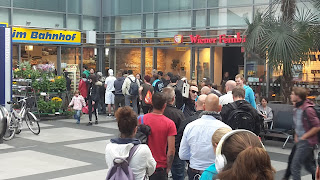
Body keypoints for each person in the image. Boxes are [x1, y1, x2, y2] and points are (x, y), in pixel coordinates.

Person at [179, 94, 231, 180]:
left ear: (203, 107)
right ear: (220, 108)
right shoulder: (226, 129)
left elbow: (183, 155)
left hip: (195, 172)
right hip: (216, 174)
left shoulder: (190, 126)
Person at [105, 107, 156, 180]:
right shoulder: (143, 149)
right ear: (135, 129)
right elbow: (151, 169)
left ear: (119, 128)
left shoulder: (109, 147)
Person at [141, 92, 177, 180]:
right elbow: (171, 150)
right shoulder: (170, 124)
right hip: (160, 166)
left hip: (143, 164)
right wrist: (168, 167)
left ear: (152, 103)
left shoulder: (141, 119)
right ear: (165, 105)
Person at [290, 87, 319, 180]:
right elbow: (298, 124)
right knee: (308, 166)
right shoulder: (297, 108)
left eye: (292, 94)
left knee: (295, 166)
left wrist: (304, 136)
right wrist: (296, 135)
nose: (291, 95)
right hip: (301, 141)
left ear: (298, 96)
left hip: (307, 142)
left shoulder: (308, 110)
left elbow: (317, 126)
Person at [176, 94, 207, 168]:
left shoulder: (188, 122)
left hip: (193, 164)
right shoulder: (219, 123)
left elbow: (178, 144)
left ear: (196, 104)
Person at [163, 87, 186, 180]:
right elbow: (184, 132)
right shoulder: (178, 114)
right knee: (179, 175)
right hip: (176, 150)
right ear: (173, 98)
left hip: (161, 149)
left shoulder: (159, 112)